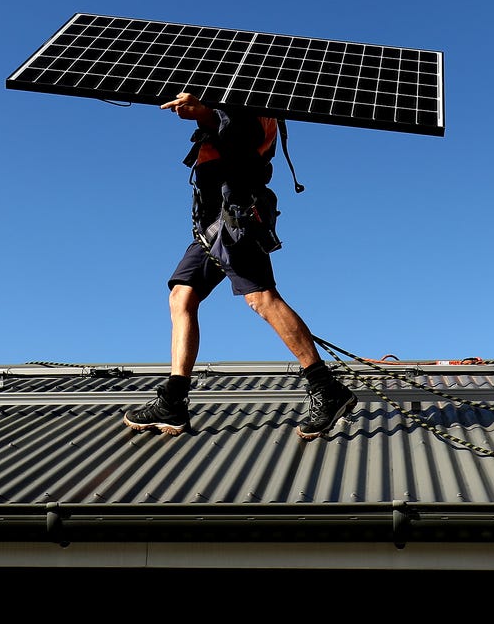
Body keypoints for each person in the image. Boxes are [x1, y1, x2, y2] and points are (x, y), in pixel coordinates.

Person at [123, 92, 357, 441]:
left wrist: (205, 114)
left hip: (235, 219)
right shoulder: (240, 100)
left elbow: (241, 134)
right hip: (215, 223)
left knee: (261, 298)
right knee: (182, 296)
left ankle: (326, 388)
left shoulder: (252, 104)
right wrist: (207, 112)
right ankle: (173, 400)